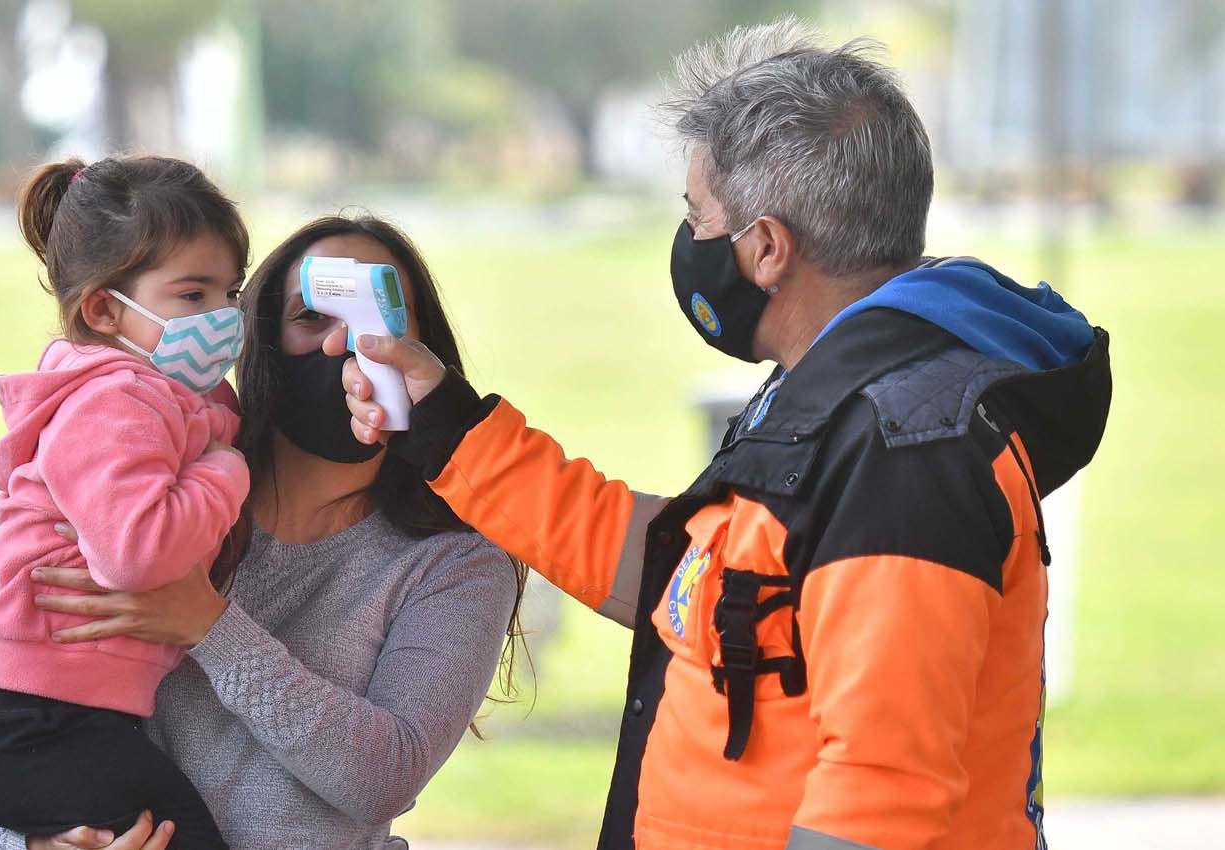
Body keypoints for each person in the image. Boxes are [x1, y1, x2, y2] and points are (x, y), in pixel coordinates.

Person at [334, 19, 1112, 850]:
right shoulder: (836, 394)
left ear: (769, 248)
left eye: (698, 215)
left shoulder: (905, 451)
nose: (690, 242)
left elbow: (880, 799)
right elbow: (695, 587)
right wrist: (450, 429)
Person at [0, 213, 525, 850]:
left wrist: (209, 626)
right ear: (259, 339)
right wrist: (29, 841)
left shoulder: (454, 561)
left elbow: (388, 775)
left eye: (377, 314)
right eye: (313, 316)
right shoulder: (149, 497)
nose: (345, 345)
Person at [0, 155, 253, 850]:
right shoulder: (116, 399)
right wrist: (227, 470)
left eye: (231, 292)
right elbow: (136, 553)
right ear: (104, 309)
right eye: (193, 295)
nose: (225, 318)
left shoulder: (163, 398)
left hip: (55, 717)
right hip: (36, 724)